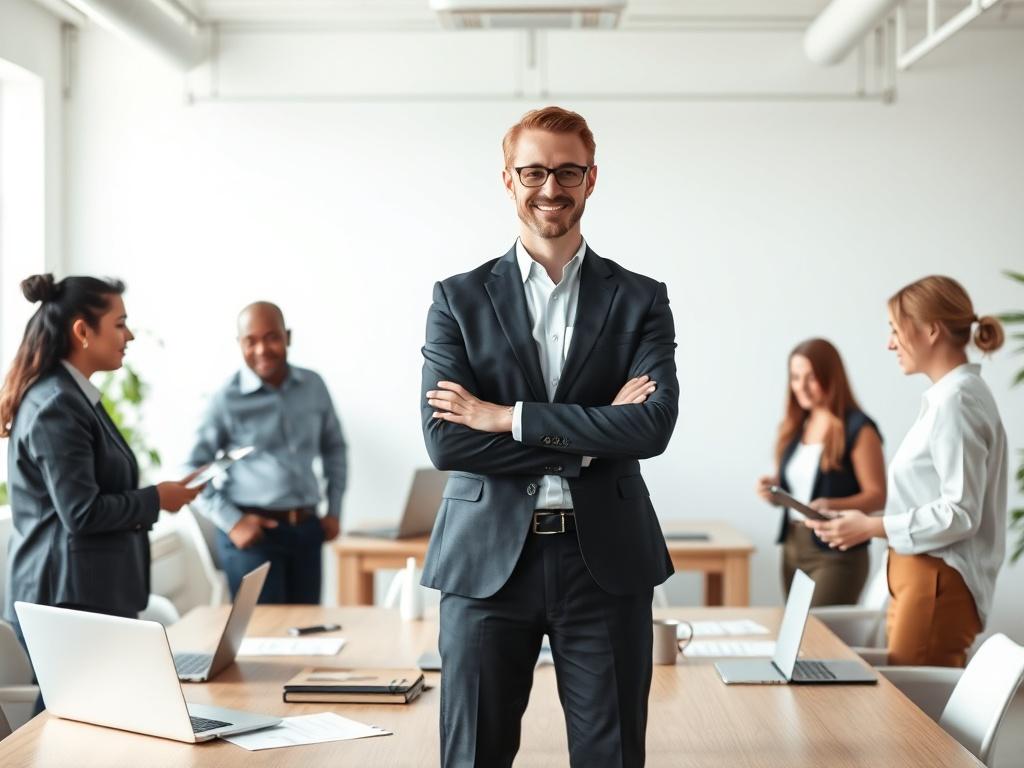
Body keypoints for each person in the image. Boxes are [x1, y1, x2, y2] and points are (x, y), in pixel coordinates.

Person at [420, 106, 678, 767]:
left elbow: (650, 426)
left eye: (567, 171)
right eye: (534, 171)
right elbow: (447, 443)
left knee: (611, 757)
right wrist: (597, 434)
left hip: (607, 567)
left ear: (592, 179)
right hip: (485, 566)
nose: (551, 188)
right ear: (508, 179)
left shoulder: (640, 299)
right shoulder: (458, 298)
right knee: (473, 757)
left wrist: (509, 416)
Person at [0, 274, 200, 709]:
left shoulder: (73, 396)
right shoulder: (56, 404)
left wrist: (156, 497)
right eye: (120, 323)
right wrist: (156, 499)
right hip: (68, 601)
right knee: (69, 731)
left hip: (84, 595)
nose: (129, 336)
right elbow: (81, 513)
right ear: (82, 331)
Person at [807, 276, 1007, 667]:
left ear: (931, 330)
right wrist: (865, 521)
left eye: (896, 330)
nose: (890, 343)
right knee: (906, 709)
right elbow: (932, 501)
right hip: (921, 577)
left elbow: (960, 513)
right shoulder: (950, 398)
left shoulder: (957, 401)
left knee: (913, 720)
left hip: (935, 580)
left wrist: (870, 526)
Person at [186, 301, 347, 604]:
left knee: (306, 636)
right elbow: (191, 467)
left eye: (271, 337)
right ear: (239, 344)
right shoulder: (225, 399)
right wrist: (232, 521)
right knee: (262, 639)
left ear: (288, 337)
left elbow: (334, 447)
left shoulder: (314, 385)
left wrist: (335, 509)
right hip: (254, 536)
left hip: (307, 531)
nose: (262, 349)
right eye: (251, 341)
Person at [756, 338, 886, 606]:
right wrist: (775, 490)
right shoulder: (796, 427)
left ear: (831, 377)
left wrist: (831, 504)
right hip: (793, 545)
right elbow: (803, 488)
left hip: (836, 552)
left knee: (816, 636)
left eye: (811, 377)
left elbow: (877, 495)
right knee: (798, 638)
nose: (800, 387)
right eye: (795, 377)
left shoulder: (859, 429)